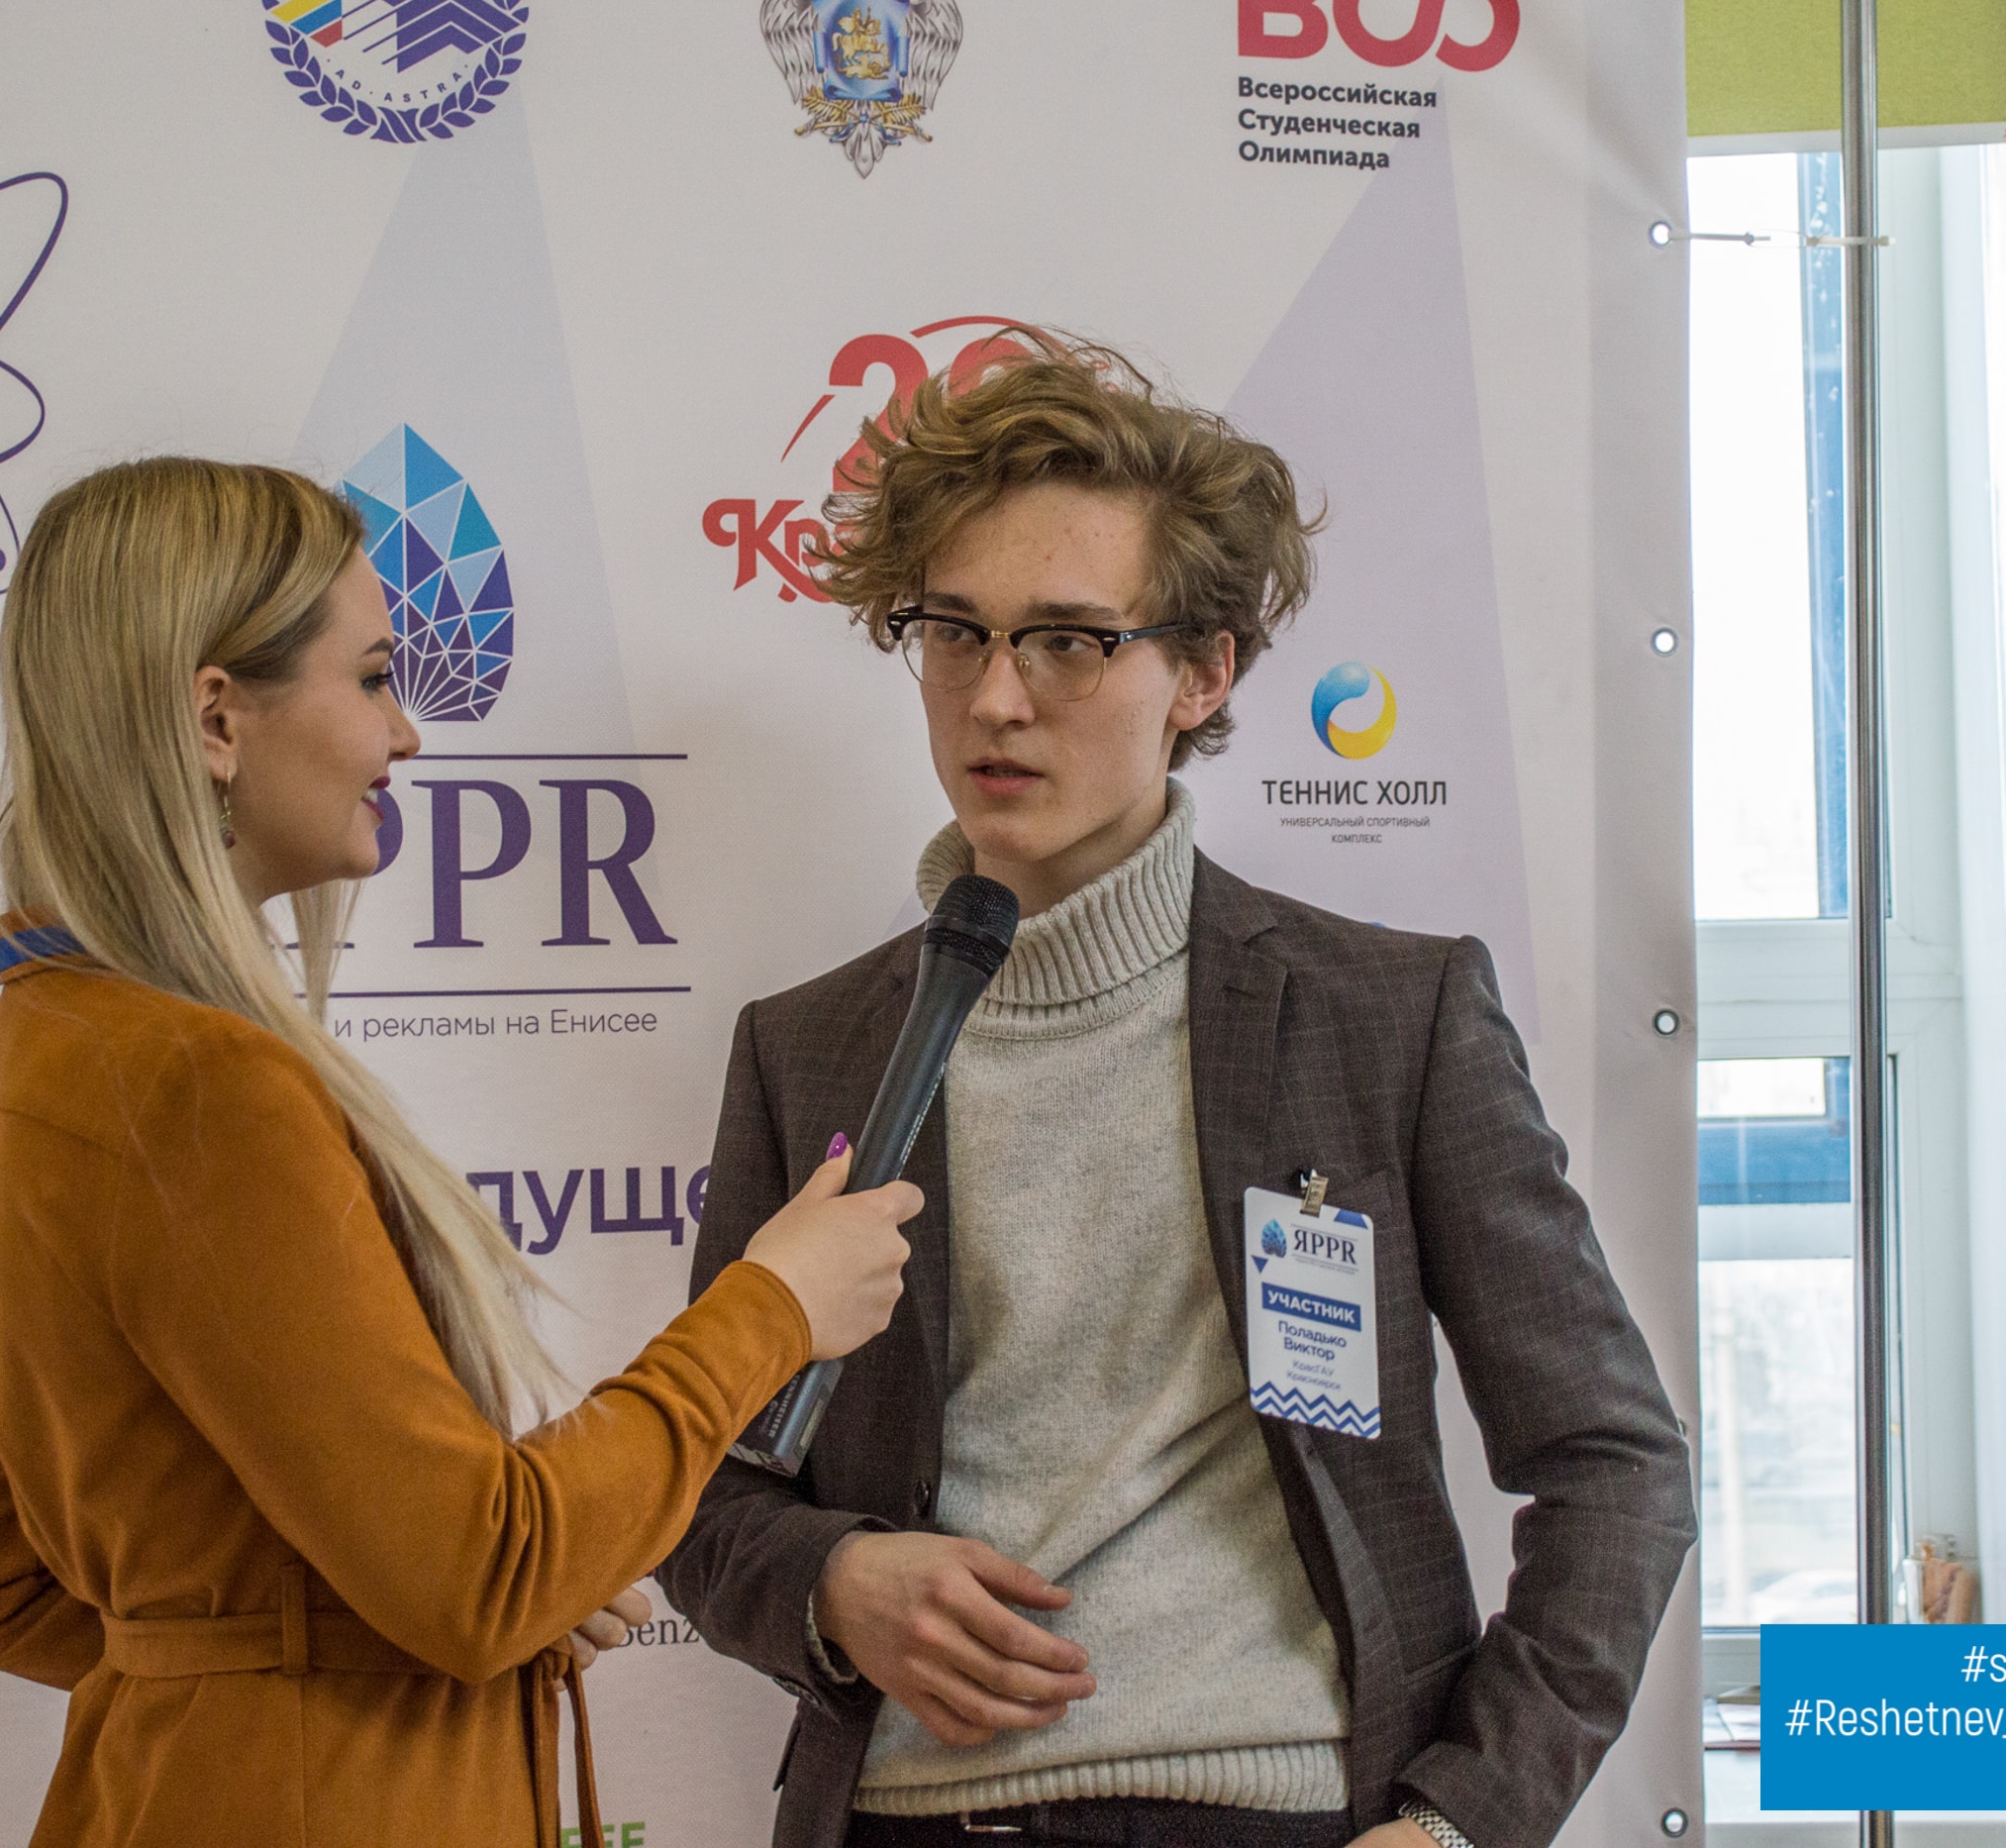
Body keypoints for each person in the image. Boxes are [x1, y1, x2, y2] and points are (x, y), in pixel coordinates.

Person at [659, 341, 1695, 1848]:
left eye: (1070, 643)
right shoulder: (807, 1047)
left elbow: (1614, 1466)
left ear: (1200, 671)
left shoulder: (1385, 1019)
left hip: (1277, 1810)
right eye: (955, 633)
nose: (996, 698)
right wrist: (831, 1583)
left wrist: (1461, 1822)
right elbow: (701, 1491)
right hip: (905, 1821)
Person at [0, 457, 924, 1848]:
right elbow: (483, 1577)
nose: (406, 735)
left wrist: (312, 1641)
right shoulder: (201, 1086)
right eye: (375, 677)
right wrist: (772, 1309)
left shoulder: (29, 1054)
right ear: (216, 719)